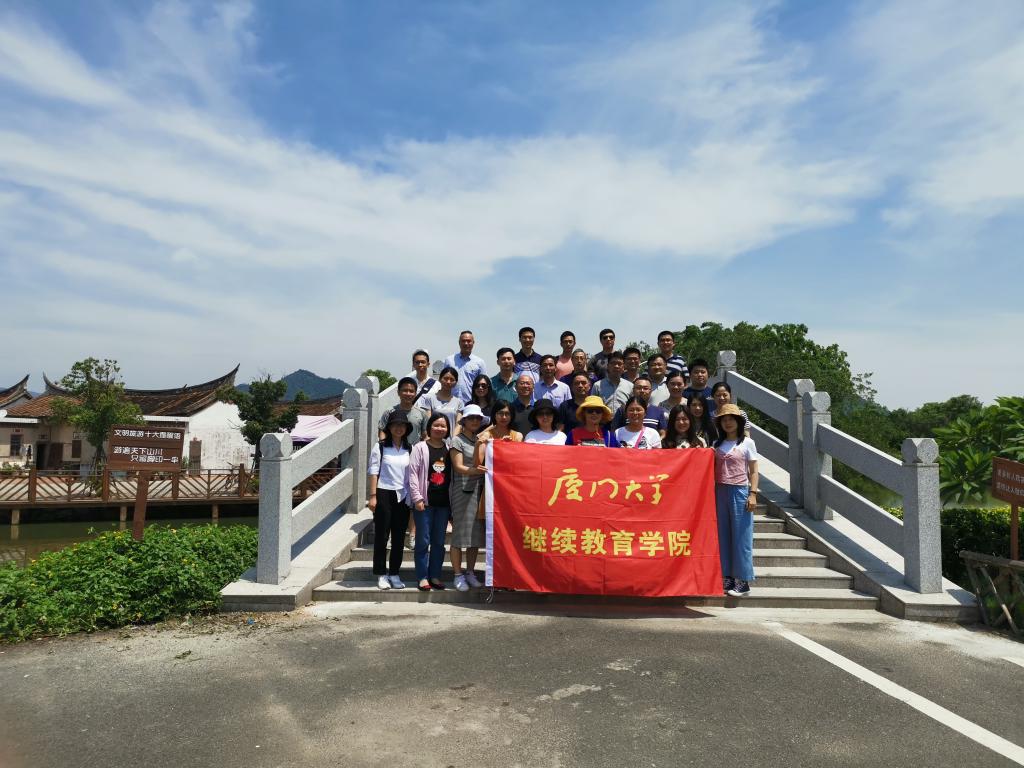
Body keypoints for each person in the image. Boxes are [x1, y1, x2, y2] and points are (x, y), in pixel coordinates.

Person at [714, 404, 759, 597]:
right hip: (719, 490)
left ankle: (743, 580)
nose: (728, 422)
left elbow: (754, 470)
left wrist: (753, 493)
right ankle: (727, 577)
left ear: (739, 421)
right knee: (723, 536)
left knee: (742, 537)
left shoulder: (747, 443)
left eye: (731, 419)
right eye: (724, 419)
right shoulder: (717, 444)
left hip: (740, 491)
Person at [367, 410, 413, 590]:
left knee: (399, 537)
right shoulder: (380, 447)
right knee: (382, 535)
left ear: (407, 428)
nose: (399, 428)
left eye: (402, 425)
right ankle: (381, 573)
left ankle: (394, 573)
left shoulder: (410, 448)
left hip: (403, 495)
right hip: (384, 492)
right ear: (389, 427)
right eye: (395, 424)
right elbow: (373, 471)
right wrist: (373, 496)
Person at [407, 413, 452, 591]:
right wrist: (417, 497)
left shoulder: (449, 448)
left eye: (443, 426)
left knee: (439, 542)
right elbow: (412, 474)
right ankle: (422, 576)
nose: (439, 428)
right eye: (436, 425)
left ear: (448, 429)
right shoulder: (420, 448)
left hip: (443, 503)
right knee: (423, 541)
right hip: (424, 502)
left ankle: (435, 575)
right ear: (429, 427)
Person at [449, 405, 487, 592]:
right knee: (459, 535)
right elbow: (458, 467)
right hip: (462, 491)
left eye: (477, 418)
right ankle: (457, 574)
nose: (474, 421)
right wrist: (477, 471)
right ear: (463, 421)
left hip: (479, 490)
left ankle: (470, 572)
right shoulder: (457, 440)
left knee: (475, 535)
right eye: (471, 418)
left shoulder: (481, 440)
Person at [378, 376, 428, 443]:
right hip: (393, 449)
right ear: (398, 392)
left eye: (411, 391)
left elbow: (425, 435)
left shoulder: (422, 413)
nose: (408, 394)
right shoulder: (389, 412)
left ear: (415, 393)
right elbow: (382, 431)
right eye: (405, 390)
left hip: (414, 449)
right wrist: (383, 446)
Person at [444, 330, 487, 403]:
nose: (466, 343)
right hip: (450, 402)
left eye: (469, 341)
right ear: (459, 343)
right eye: (463, 341)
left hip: (472, 403)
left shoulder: (480, 363)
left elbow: (484, 385)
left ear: (473, 343)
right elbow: (444, 381)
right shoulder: (449, 360)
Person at [420, 366, 464, 436]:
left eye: (452, 379)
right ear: (440, 379)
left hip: (451, 440)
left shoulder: (459, 402)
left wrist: (453, 440)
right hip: (433, 440)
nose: (448, 382)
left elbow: (458, 425)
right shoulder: (429, 398)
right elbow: (427, 422)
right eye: (445, 378)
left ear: (455, 382)